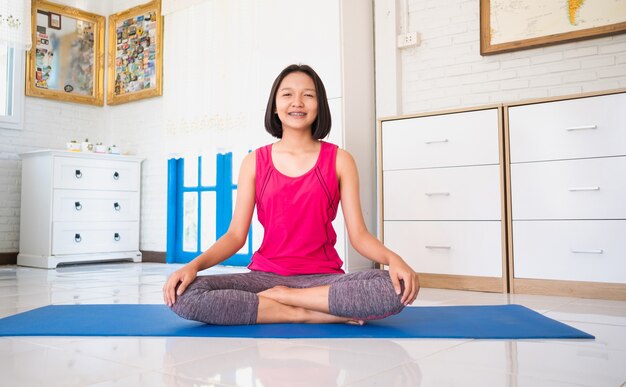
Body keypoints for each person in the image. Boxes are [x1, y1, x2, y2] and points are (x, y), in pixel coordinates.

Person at [163, 64, 419, 325]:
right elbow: (235, 236)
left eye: (308, 95)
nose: (297, 102)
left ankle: (283, 299)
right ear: (274, 106)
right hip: (265, 276)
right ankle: (307, 312)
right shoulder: (254, 161)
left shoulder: (340, 160)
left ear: (319, 105)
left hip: (322, 278)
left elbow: (359, 235)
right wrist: (192, 266)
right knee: (187, 293)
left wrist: (393, 259)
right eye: (287, 94)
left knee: (392, 287)